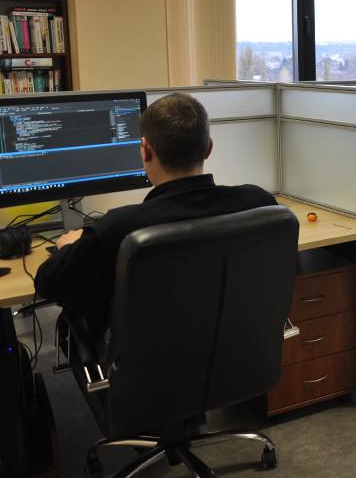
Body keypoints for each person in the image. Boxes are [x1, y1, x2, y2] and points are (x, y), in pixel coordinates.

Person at [35, 93, 277, 340]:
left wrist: (68, 248)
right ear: (208, 148)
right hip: (239, 350)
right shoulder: (259, 204)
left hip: (153, 359)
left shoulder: (120, 228)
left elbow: (47, 284)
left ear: (145, 150)